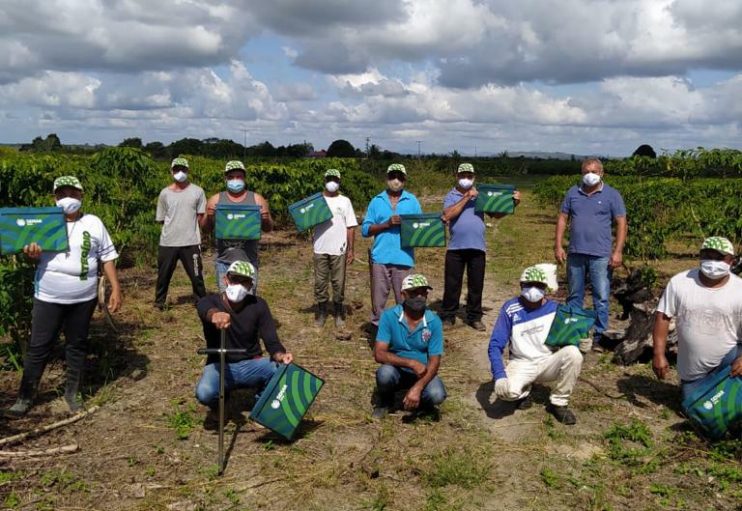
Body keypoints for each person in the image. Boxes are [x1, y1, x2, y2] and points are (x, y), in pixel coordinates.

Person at [6, 176, 122, 417]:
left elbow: (107, 256)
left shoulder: (93, 222)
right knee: (39, 346)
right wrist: (31, 253)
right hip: (48, 296)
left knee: (76, 345)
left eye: (72, 192)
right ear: (54, 198)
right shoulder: (43, 223)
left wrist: (116, 287)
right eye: (61, 193)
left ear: (81, 195)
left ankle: (72, 393)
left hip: (83, 298)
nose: (67, 197)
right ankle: (25, 397)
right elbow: (29, 253)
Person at [488, 266, 583, 425]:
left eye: (539, 285)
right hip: (521, 363)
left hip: (548, 362)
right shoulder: (510, 308)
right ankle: (524, 390)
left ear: (545, 288)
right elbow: (495, 344)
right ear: (521, 286)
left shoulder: (555, 309)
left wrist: (581, 339)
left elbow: (567, 338)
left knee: (574, 353)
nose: (533, 289)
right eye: (528, 284)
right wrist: (499, 376)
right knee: (506, 392)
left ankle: (559, 403)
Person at [195, 260, 293, 413]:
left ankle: (261, 405)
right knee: (205, 392)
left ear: (250, 285)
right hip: (221, 365)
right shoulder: (211, 301)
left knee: (282, 370)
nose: (239, 285)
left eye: (244, 281)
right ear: (226, 279)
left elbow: (271, 340)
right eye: (235, 279)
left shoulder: (258, 305)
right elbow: (202, 306)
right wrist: (214, 314)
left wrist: (280, 355)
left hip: (251, 363)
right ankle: (219, 405)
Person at [652, 237, 742, 401]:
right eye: (707, 256)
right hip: (694, 372)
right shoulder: (680, 282)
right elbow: (663, 317)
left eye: (719, 257)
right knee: (695, 410)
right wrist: (658, 354)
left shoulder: (739, 289)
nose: (712, 262)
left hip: (730, 361)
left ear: (732, 261)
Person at [554, 158, 627, 348]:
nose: (590, 174)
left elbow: (621, 223)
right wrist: (558, 245)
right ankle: (573, 333)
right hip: (576, 252)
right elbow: (563, 218)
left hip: (601, 254)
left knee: (601, 296)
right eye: (587, 171)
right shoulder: (573, 192)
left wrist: (617, 251)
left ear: (602, 173)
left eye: (594, 171)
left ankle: (599, 336)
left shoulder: (612, 195)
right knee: (574, 295)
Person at [441, 163, 521, 331]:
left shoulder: (481, 195)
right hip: (455, 248)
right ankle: (448, 316)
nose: (466, 179)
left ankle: (474, 317)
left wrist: (512, 204)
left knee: (476, 284)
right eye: (462, 175)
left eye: (469, 176)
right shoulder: (451, 195)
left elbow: (495, 214)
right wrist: (466, 198)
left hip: (478, 247)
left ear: (474, 177)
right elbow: (447, 215)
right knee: (452, 284)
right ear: (456, 176)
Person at [372, 274, 446, 419]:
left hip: (422, 372)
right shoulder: (389, 316)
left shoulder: (434, 321)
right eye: (414, 293)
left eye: (423, 292)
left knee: (437, 395)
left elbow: (435, 361)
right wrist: (410, 363)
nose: (419, 296)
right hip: (396, 368)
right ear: (403, 294)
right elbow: (379, 354)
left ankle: (421, 403)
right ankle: (386, 402)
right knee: (384, 374)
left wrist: (418, 386)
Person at [361, 163, 422, 328]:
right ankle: (378, 335)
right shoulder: (376, 201)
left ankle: (403, 334)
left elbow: (421, 228)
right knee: (378, 302)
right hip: (380, 258)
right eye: (392, 176)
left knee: (405, 301)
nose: (396, 180)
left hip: (404, 258)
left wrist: (407, 225)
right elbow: (365, 229)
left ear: (405, 179)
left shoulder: (412, 201)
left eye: (399, 177)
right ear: (387, 178)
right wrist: (386, 224)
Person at [201, 160, 273, 292]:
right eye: (231, 177)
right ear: (225, 178)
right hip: (224, 262)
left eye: (239, 176)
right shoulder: (215, 200)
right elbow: (205, 230)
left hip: (249, 262)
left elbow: (268, 228)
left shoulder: (257, 199)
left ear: (244, 178)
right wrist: (209, 216)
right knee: (226, 299)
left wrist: (266, 218)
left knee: (248, 300)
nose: (235, 180)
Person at [155, 157, 207, 309]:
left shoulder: (198, 191)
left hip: (191, 241)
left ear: (188, 171)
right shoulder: (164, 193)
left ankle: (201, 302)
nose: (180, 173)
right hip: (168, 242)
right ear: (171, 171)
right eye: (177, 170)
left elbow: (200, 215)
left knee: (196, 275)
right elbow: (162, 218)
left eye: (183, 169)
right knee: (163, 275)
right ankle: (159, 302)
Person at [312, 169, 358, 327]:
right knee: (320, 283)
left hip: (339, 248)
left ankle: (339, 311)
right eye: (329, 179)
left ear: (339, 182)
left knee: (338, 283)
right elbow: (306, 220)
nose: (332, 182)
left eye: (335, 179)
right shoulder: (316, 200)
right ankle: (322, 311)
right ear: (324, 180)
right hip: (320, 248)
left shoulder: (345, 201)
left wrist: (351, 249)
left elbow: (350, 226)